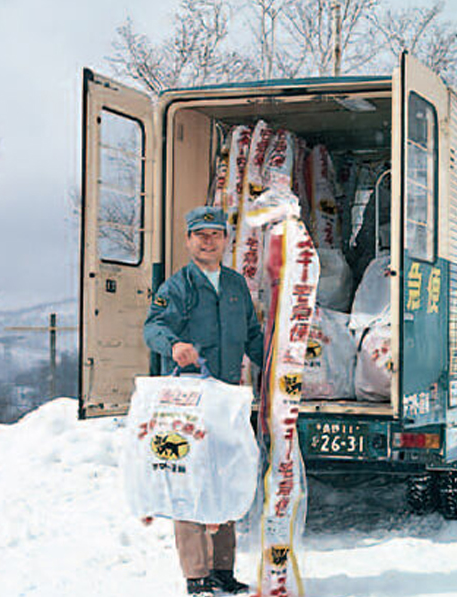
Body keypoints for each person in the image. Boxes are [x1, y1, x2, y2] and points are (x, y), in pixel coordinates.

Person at [142, 205, 264, 597]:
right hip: (188, 401)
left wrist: (281, 365)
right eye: (200, 234)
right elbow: (153, 327)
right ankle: (197, 577)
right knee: (189, 485)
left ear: (226, 241)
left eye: (215, 234)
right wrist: (173, 343)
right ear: (189, 239)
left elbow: (252, 334)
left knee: (225, 480)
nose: (208, 241)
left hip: (226, 399)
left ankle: (222, 571)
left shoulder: (235, 285)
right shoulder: (177, 287)